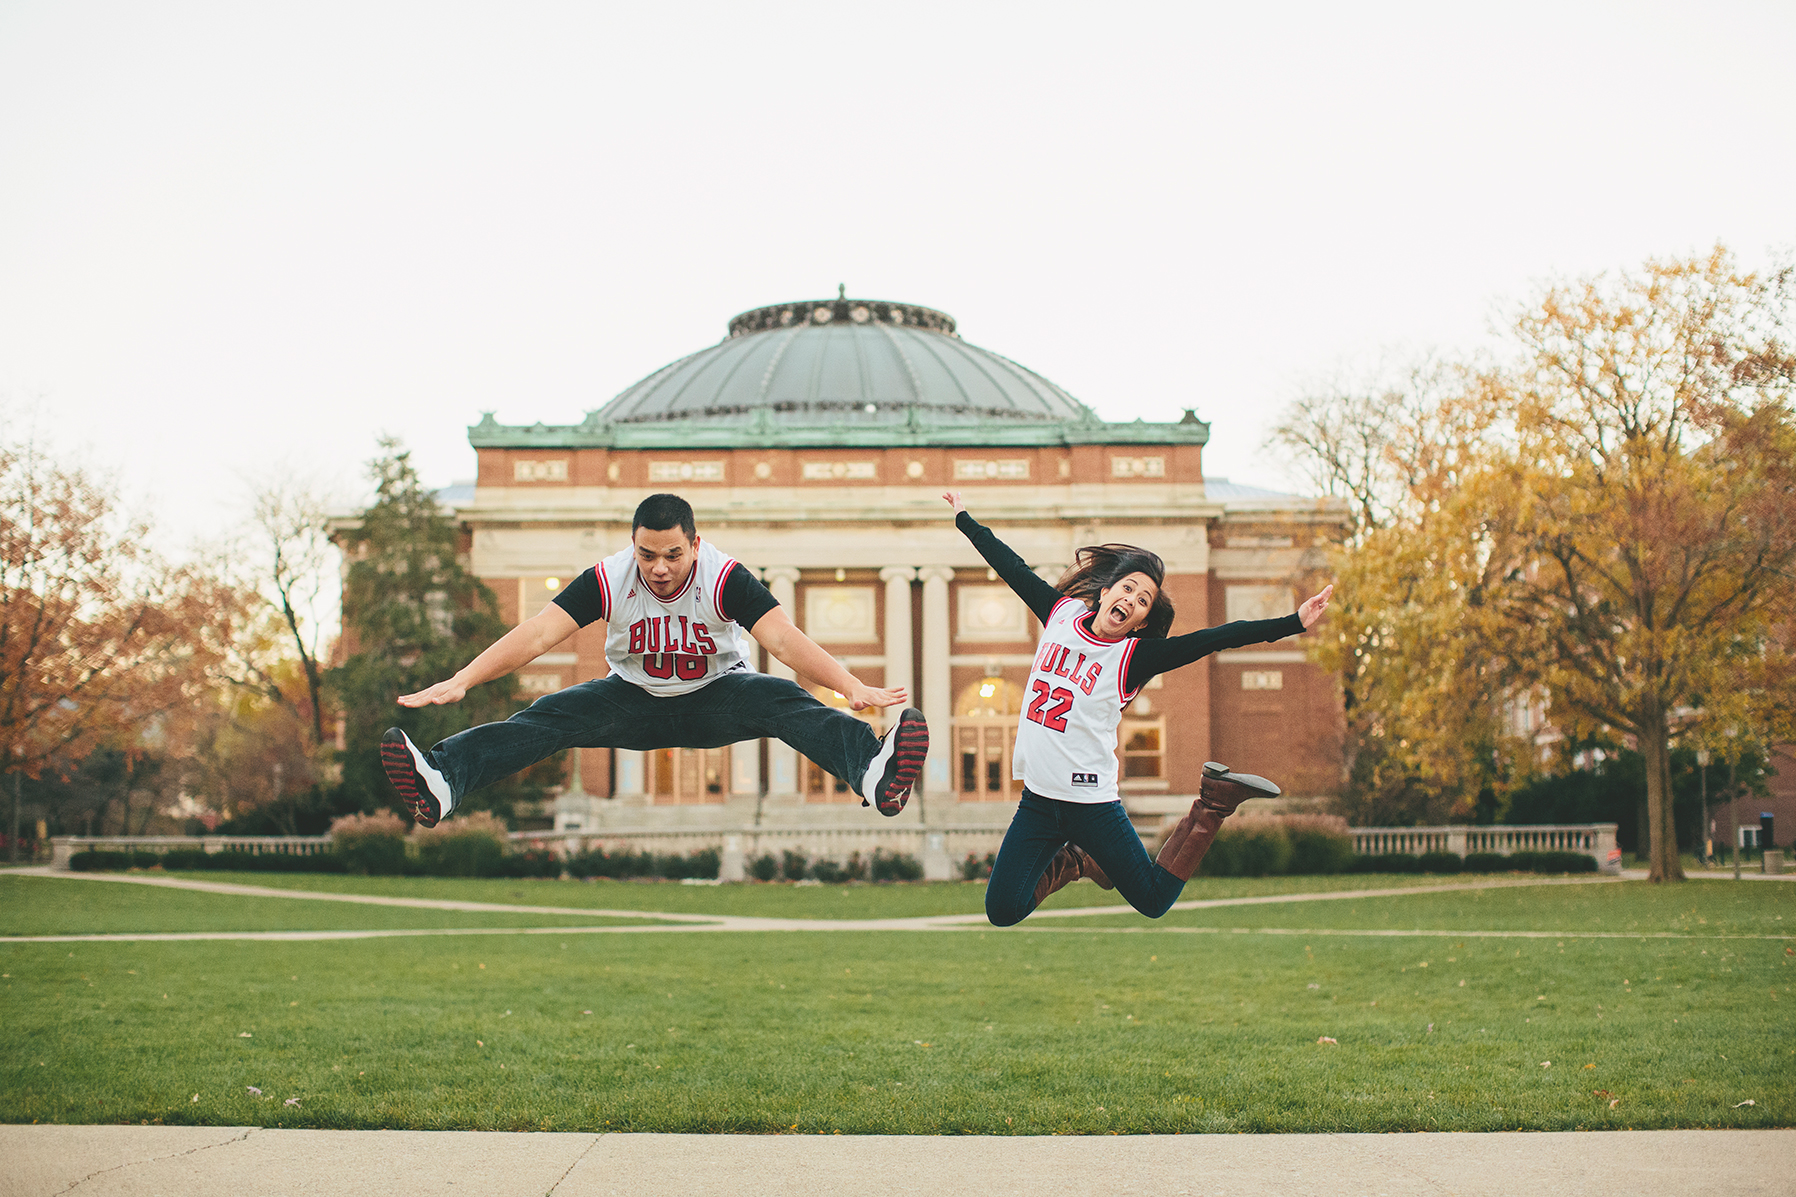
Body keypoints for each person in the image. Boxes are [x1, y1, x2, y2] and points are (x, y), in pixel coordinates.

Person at [379, 493, 928, 826]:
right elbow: (539, 633)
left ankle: (873, 771)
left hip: (717, 697)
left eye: (673, 555)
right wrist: (464, 679)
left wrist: (849, 686)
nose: (659, 568)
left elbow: (781, 639)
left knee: (784, 698)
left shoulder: (724, 576)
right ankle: (444, 781)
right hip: (632, 700)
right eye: (647, 554)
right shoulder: (610, 577)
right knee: (548, 715)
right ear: (632, 545)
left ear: (694, 544)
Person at [944, 491, 1333, 926]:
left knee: (1152, 899)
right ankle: (1075, 862)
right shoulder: (1060, 613)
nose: (1131, 599)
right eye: (1127, 588)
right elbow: (1012, 568)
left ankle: (1215, 802)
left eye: (1143, 600)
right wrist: (965, 520)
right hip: (1037, 800)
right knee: (1002, 910)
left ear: (1142, 620)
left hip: (1091, 803)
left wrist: (1292, 622)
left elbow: (1218, 636)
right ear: (1106, 591)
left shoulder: (1133, 658)